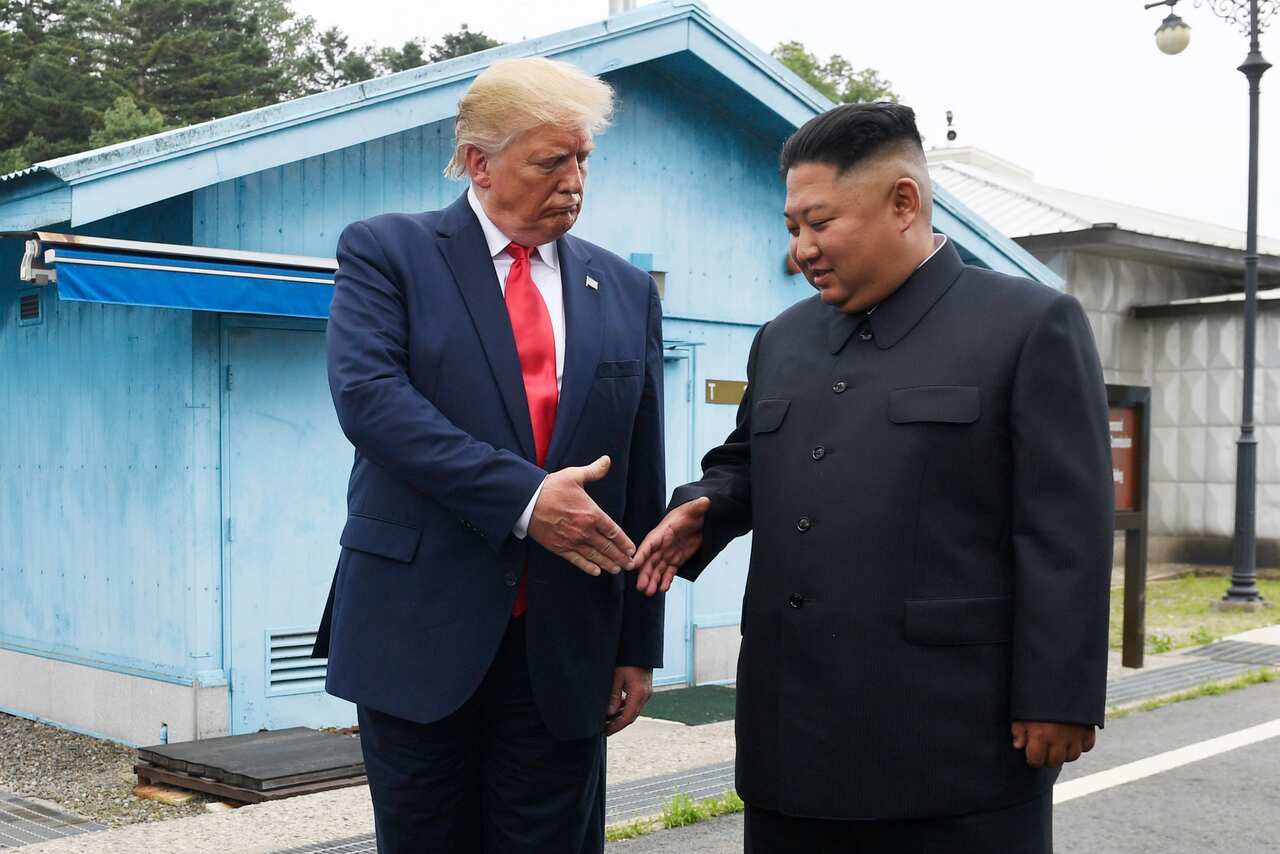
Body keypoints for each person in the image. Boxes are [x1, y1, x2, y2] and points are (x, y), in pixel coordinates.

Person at [630, 102, 1112, 853]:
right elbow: (745, 463)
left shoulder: (1027, 324)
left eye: (820, 223)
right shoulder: (783, 338)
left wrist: (1060, 695)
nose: (802, 249)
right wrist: (704, 507)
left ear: (904, 202)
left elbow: (1065, 528)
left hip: (953, 742)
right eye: (792, 228)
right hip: (792, 736)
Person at [312, 57, 666, 853]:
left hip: (568, 643)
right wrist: (529, 501)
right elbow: (370, 402)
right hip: (418, 633)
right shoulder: (388, 252)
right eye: (551, 161)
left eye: (583, 160)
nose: (574, 180)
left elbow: (639, 476)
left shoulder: (627, 290)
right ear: (481, 161)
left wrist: (638, 644)